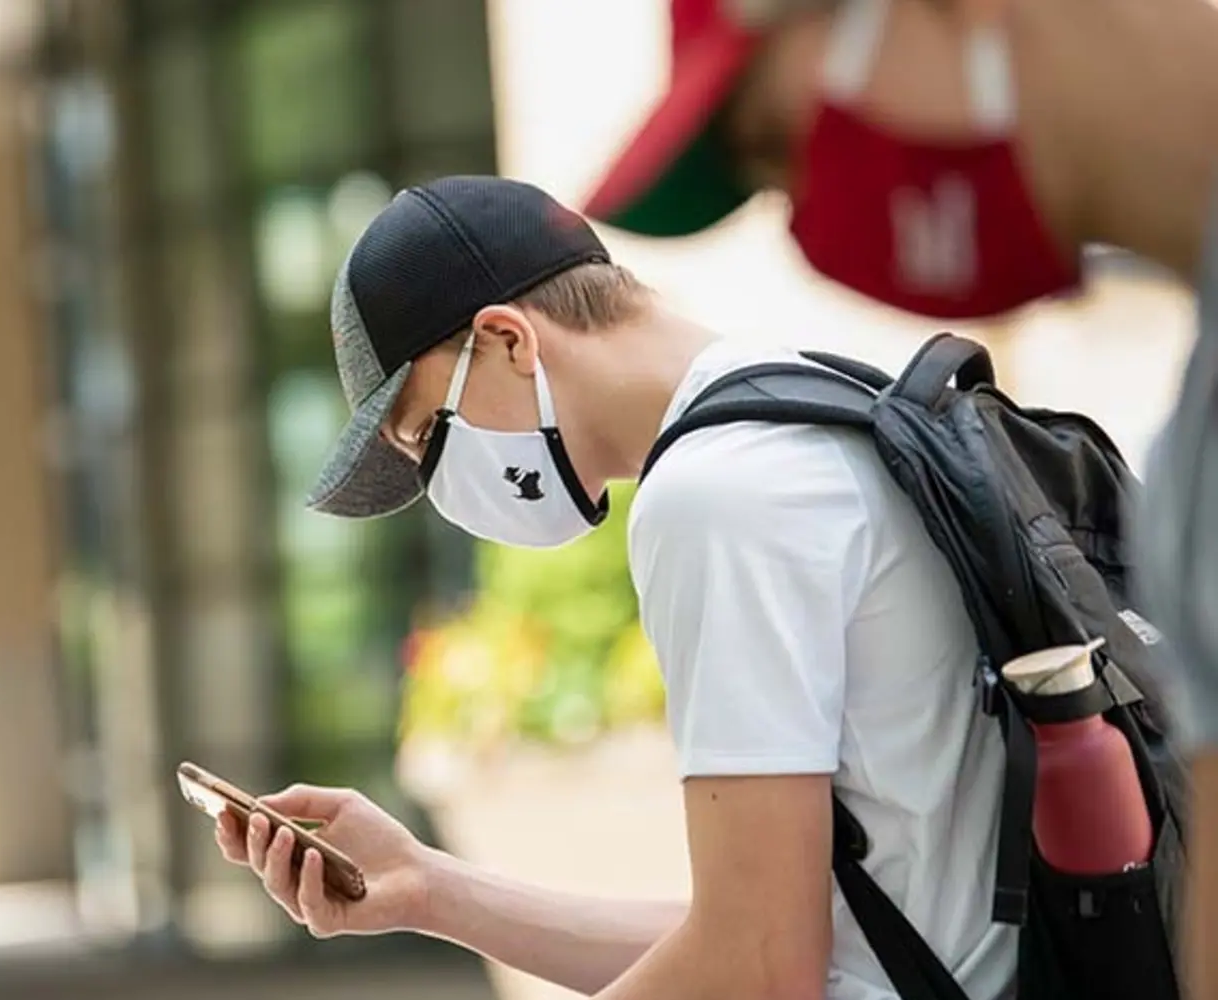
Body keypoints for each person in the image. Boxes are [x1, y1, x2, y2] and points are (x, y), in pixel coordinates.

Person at [216, 174, 1014, 1000]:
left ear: (509, 341)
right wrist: (430, 887)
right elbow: (782, 933)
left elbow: (759, 967)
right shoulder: (819, 407)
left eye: (424, 435)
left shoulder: (715, 495)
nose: (438, 483)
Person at [582, 0, 1218, 995]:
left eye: (774, 139)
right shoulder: (1188, 451)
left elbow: (756, 953)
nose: (804, 209)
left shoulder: (722, 482)